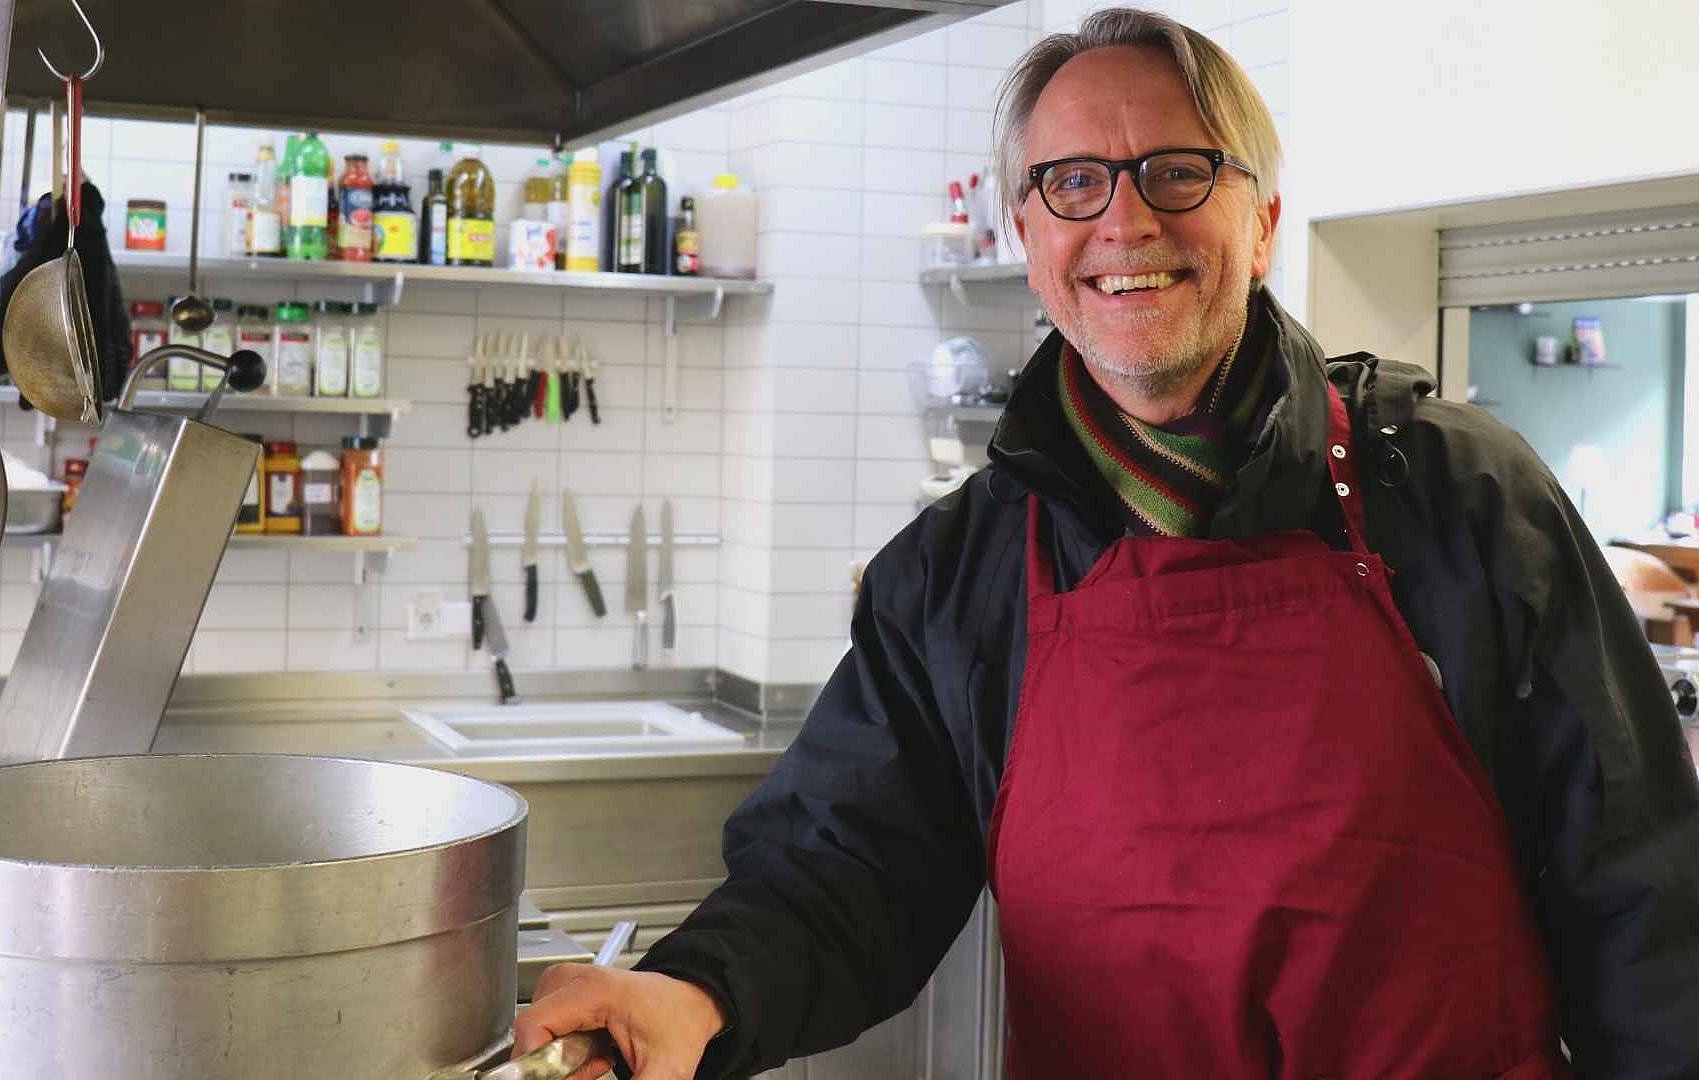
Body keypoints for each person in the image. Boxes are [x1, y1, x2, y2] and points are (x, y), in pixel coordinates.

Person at [516, 9, 1699, 1078]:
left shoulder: (1455, 492)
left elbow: (1644, 897)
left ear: (1263, 219)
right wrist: (695, 988)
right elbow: (841, 867)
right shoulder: (960, 572)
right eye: (1072, 182)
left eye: (1176, 172)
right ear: (1028, 234)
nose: (1124, 218)